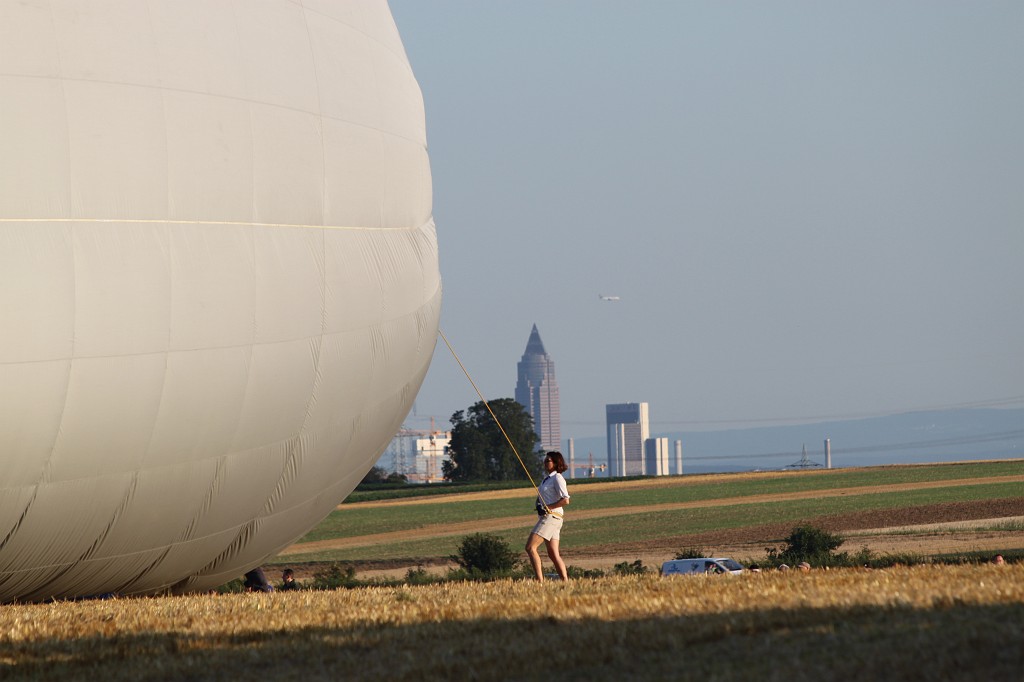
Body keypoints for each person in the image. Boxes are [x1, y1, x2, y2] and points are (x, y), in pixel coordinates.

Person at [525, 451, 571, 581]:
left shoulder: (557, 478)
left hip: (551, 517)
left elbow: (566, 500)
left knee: (530, 547)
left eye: (548, 461)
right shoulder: (547, 479)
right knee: (553, 554)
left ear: (556, 463)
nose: (545, 463)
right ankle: (565, 582)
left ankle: (540, 582)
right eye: (545, 460)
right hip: (552, 518)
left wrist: (548, 507)